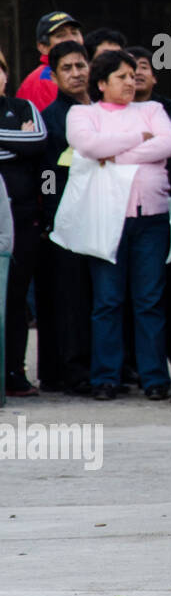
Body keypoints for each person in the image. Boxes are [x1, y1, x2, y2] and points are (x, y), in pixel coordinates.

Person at [65, 49, 171, 401]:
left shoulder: (152, 110)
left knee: (149, 300)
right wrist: (141, 141)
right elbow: (86, 145)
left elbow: (170, 144)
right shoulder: (83, 113)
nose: (131, 82)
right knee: (108, 301)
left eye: (133, 75)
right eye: (121, 77)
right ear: (101, 83)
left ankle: (155, 377)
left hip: (152, 218)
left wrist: (112, 156)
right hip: (106, 219)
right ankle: (106, 377)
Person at [33, 41, 94, 395]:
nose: (76, 73)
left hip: (101, 214)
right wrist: (51, 215)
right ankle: (68, 371)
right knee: (66, 298)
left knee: (98, 296)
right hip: (63, 220)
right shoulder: (50, 118)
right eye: (67, 68)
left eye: (80, 65)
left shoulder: (102, 112)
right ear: (54, 76)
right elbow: (46, 174)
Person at [0, 47, 48, 396]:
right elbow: (22, 142)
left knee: (16, 297)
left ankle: (14, 372)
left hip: (22, 216)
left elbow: (36, 141)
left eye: (0, 68)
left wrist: (21, 142)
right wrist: (16, 141)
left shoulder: (23, 108)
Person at [16, 11, 84, 112]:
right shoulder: (45, 79)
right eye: (61, 35)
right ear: (43, 47)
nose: (72, 39)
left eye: (74, 32)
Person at [126, 46, 171, 116]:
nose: (137, 72)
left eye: (143, 67)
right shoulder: (110, 108)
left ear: (154, 78)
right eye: (132, 67)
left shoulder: (170, 109)